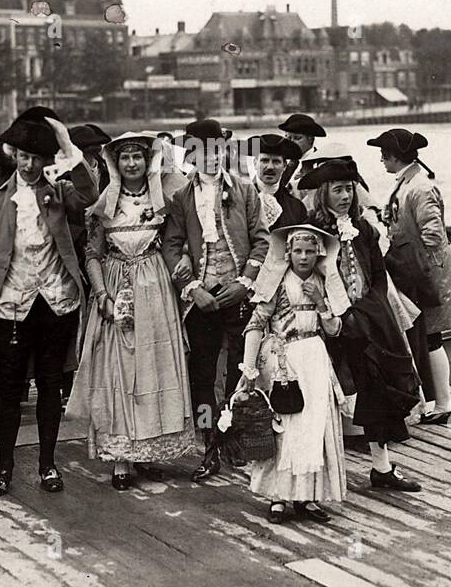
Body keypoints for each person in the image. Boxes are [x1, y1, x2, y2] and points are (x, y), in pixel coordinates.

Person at [0, 115, 98, 495]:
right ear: (13, 156)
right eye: (23, 156)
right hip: (11, 307)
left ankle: (48, 465)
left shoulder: (59, 191)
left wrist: (69, 148)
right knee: (8, 387)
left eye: (37, 157)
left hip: (55, 303)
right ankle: (4, 467)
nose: (30, 165)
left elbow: (92, 198)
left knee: (51, 386)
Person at [67, 133, 195, 489]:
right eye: (125, 158)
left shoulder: (164, 199)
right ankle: (121, 457)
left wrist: (183, 256)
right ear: (115, 163)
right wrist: (104, 296)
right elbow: (92, 254)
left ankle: (148, 452)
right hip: (116, 282)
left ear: (148, 160)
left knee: (153, 368)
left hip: (155, 286)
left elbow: (176, 240)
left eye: (138, 157)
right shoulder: (104, 202)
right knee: (119, 370)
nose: (132, 164)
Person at [301, 159, 422, 490]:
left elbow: (378, 277)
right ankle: (316, 478)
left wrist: (371, 313)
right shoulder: (314, 233)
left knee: (375, 391)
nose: (345, 196)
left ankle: (381, 469)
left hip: (365, 322)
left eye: (349, 189)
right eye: (337, 190)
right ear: (324, 194)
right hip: (325, 322)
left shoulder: (364, 230)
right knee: (325, 394)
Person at [161, 118, 268, 482]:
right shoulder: (180, 198)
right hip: (203, 300)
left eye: (217, 149)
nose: (210, 157)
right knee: (202, 377)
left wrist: (244, 282)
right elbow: (172, 246)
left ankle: (236, 439)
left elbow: (262, 240)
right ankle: (210, 443)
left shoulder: (245, 190)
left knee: (242, 370)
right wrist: (193, 288)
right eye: (201, 150)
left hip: (237, 296)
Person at [238, 224, 349, 524]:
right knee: (286, 427)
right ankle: (279, 496)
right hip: (284, 361)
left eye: (310, 251)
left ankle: (309, 496)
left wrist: (322, 303)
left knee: (315, 427)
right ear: (287, 252)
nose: (303, 257)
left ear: (318, 253)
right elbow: (256, 322)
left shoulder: (323, 282)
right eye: (297, 251)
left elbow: (334, 330)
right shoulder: (277, 282)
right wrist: (249, 368)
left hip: (314, 356)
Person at [369, 128, 451, 424]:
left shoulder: (419, 187)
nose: (382, 160)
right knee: (427, 337)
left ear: (396, 156)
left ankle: (443, 403)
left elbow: (433, 235)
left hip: (425, 274)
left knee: (431, 337)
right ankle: (439, 401)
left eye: (384, 155)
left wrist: (414, 263)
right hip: (416, 271)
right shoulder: (409, 183)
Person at [246, 134, 307, 231]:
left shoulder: (296, 207)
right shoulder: (241, 201)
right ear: (255, 163)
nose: (270, 167)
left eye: (276, 162)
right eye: (264, 161)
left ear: (284, 166)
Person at [278, 113, 326, 186]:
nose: (291, 142)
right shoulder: (281, 161)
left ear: (310, 139)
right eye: (288, 138)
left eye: (297, 138)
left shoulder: (321, 164)